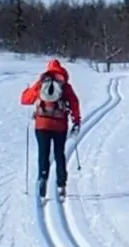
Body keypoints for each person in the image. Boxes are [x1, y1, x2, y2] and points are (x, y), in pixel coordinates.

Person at [19, 59, 82, 200]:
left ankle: (42, 177)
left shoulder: (41, 82)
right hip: (60, 125)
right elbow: (74, 103)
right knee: (59, 154)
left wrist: (26, 90)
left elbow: (25, 99)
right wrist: (76, 120)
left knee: (43, 153)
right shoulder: (65, 85)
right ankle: (61, 185)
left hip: (42, 124)